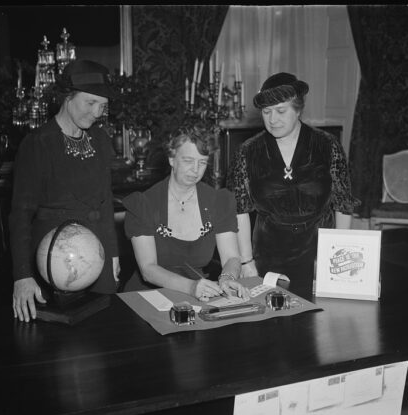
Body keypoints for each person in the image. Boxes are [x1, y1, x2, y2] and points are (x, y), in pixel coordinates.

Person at [10, 59, 120, 322]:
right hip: (54, 261)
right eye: (90, 103)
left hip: (96, 255)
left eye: (102, 106)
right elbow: (20, 214)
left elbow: (106, 205)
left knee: (103, 331)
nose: (96, 113)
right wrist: (22, 275)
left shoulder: (101, 140)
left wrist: (113, 253)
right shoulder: (38, 144)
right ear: (67, 97)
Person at [227, 72, 359, 290]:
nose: (272, 119)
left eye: (280, 111)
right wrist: (246, 262)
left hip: (318, 252)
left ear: (298, 109)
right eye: (266, 112)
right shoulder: (247, 151)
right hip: (267, 255)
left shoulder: (327, 145)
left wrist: (335, 257)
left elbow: (343, 204)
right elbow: (239, 211)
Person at [122, 123, 249, 301]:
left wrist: (227, 278)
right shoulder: (144, 203)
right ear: (172, 159)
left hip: (197, 296)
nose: (195, 170)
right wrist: (190, 287)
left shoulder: (219, 201)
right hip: (148, 297)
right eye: (188, 161)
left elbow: (231, 257)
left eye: (202, 162)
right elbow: (148, 269)